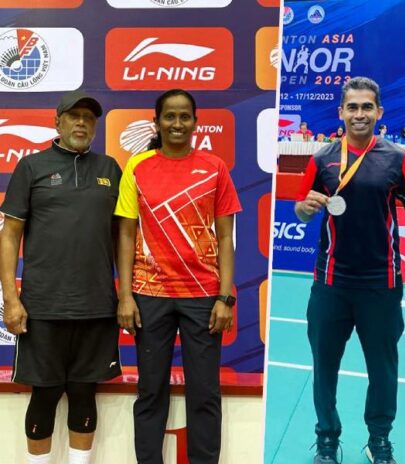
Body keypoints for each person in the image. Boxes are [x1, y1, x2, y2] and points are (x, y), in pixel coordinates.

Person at [295, 77, 405, 464]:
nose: (360, 114)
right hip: (331, 282)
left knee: (383, 370)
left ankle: (379, 439)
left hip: (381, 283)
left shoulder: (397, 158)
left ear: (379, 112)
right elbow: (302, 207)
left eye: (367, 107)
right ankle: (327, 438)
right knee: (324, 367)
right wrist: (305, 209)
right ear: (341, 112)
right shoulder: (321, 159)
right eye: (352, 107)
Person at [115, 89, 241, 464]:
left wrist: (225, 297)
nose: (177, 123)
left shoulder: (215, 167)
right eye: (169, 116)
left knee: (204, 393)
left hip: (202, 296)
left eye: (185, 116)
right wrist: (125, 295)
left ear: (196, 122)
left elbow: (226, 237)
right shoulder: (137, 167)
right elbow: (125, 234)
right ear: (157, 122)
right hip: (149, 295)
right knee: (151, 391)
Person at [0, 90, 122, 464]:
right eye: (74, 116)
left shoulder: (110, 169)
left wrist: (126, 296)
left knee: (84, 393)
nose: (82, 123)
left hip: (97, 306)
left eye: (89, 117)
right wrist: (11, 298)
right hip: (42, 307)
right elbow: (10, 235)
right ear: (58, 122)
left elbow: (124, 237)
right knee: (45, 394)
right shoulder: (31, 167)